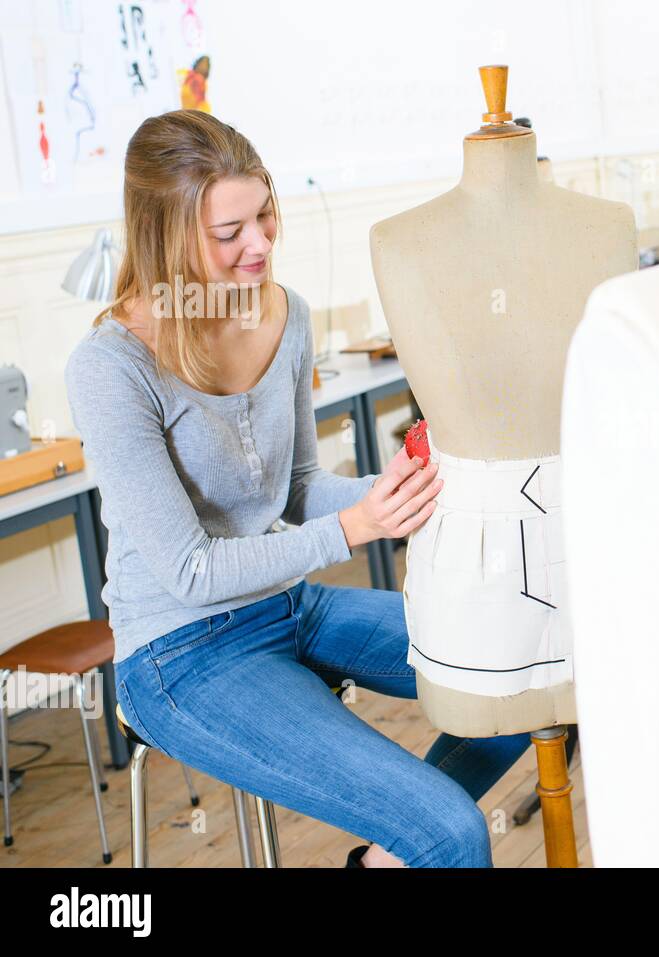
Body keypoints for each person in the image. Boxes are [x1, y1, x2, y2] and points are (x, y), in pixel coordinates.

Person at [64, 110, 530, 868]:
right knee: (453, 834)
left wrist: (396, 492)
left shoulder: (285, 313)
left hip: (286, 604)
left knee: (515, 676)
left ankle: (384, 859)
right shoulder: (110, 368)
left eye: (265, 215)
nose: (260, 244)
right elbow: (190, 571)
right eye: (229, 233)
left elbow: (297, 488)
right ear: (166, 238)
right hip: (180, 654)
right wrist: (355, 530)